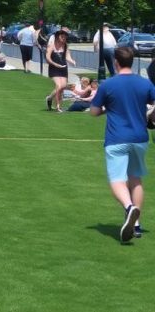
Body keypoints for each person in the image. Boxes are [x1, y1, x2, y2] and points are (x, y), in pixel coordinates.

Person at [90, 47, 155, 242]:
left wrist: (106, 109)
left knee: (117, 180)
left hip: (117, 138)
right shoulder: (144, 83)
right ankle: (136, 225)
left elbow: (93, 111)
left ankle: (129, 208)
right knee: (135, 180)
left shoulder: (108, 84)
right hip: (139, 137)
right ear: (132, 62)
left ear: (116, 63)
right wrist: (150, 116)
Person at [45, 30, 76, 112]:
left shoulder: (65, 46)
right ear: (57, 37)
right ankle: (58, 107)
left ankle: (50, 98)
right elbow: (47, 58)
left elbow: (67, 57)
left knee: (63, 87)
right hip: (54, 68)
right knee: (59, 86)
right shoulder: (51, 46)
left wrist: (72, 61)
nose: (64, 39)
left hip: (63, 68)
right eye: (62, 37)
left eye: (65, 37)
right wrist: (55, 64)